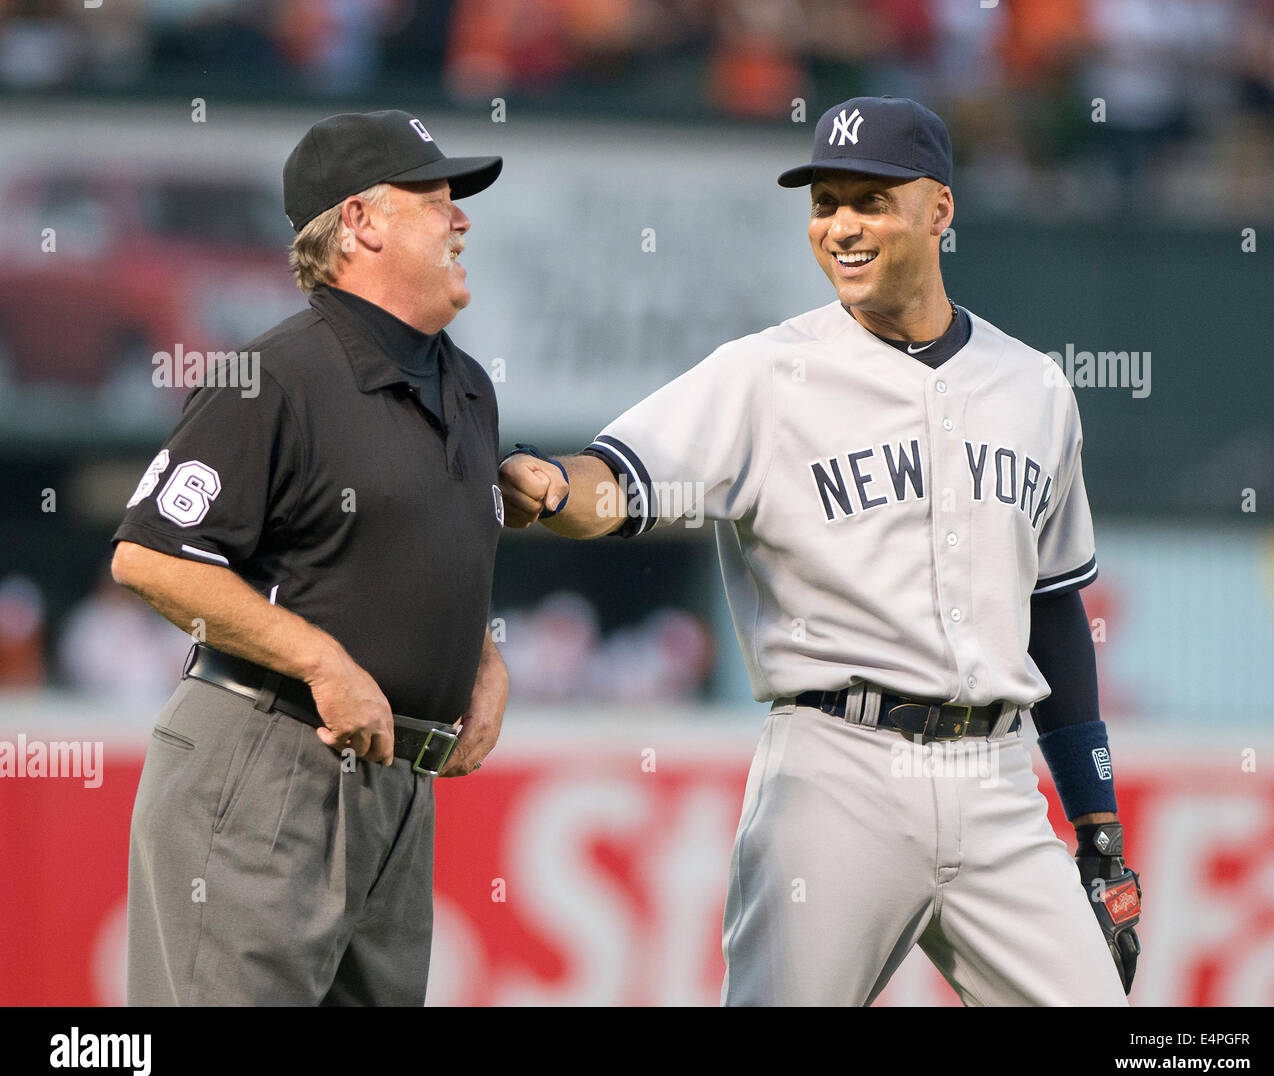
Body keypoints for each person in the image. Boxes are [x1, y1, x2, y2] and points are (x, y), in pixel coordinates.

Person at [499, 97, 1141, 1006]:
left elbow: (1053, 608)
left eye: (870, 201)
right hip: (837, 771)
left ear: (939, 210)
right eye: (825, 202)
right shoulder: (766, 373)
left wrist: (1097, 826)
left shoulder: (1033, 386)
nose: (841, 225)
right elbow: (620, 479)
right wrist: (558, 488)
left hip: (997, 780)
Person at [110, 110, 509, 1006]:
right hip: (265, 756)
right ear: (360, 222)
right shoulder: (274, 373)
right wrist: (322, 660)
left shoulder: (469, 387)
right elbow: (150, 556)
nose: (461, 219)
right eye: (436, 200)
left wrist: (481, 658)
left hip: (398, 785)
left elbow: (396, 555)